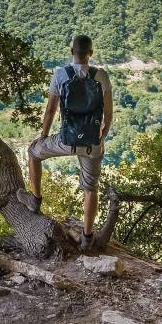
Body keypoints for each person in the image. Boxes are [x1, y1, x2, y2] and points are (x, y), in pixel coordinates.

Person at [28, 34, 115, 249]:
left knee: (33, 153)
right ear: (90, 54)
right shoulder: (101, 76)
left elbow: (50, 110)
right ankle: (87, 237)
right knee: (91, 188)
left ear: (72, 52)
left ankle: (35, 200)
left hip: (66, 139)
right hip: (92, 145)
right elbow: (109, 115)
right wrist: (100, 138)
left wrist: (44, 135)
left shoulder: (60, 75)